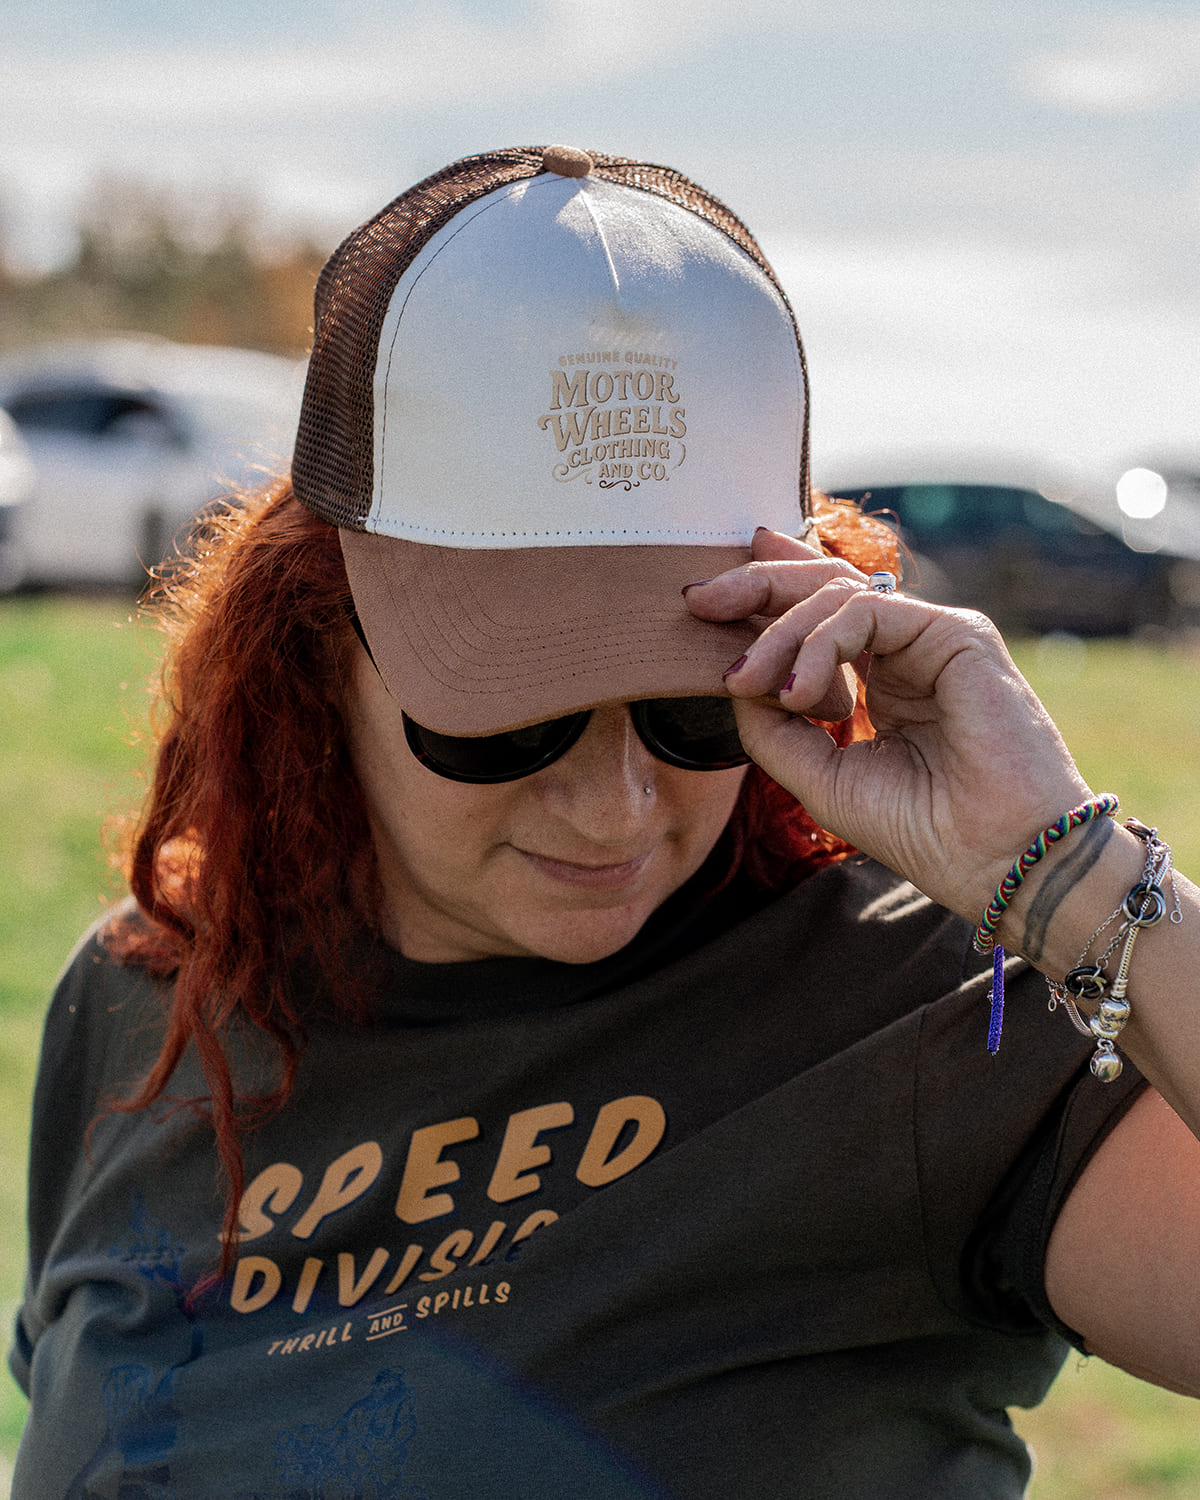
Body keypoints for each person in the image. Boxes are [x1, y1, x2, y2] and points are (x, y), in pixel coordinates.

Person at [9, 144, 1200, 1500]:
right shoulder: (151, 998)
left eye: (697, 710)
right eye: (513, 715)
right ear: (314, 648)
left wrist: (1074, 874)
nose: (614, 802)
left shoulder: (922, 1012)